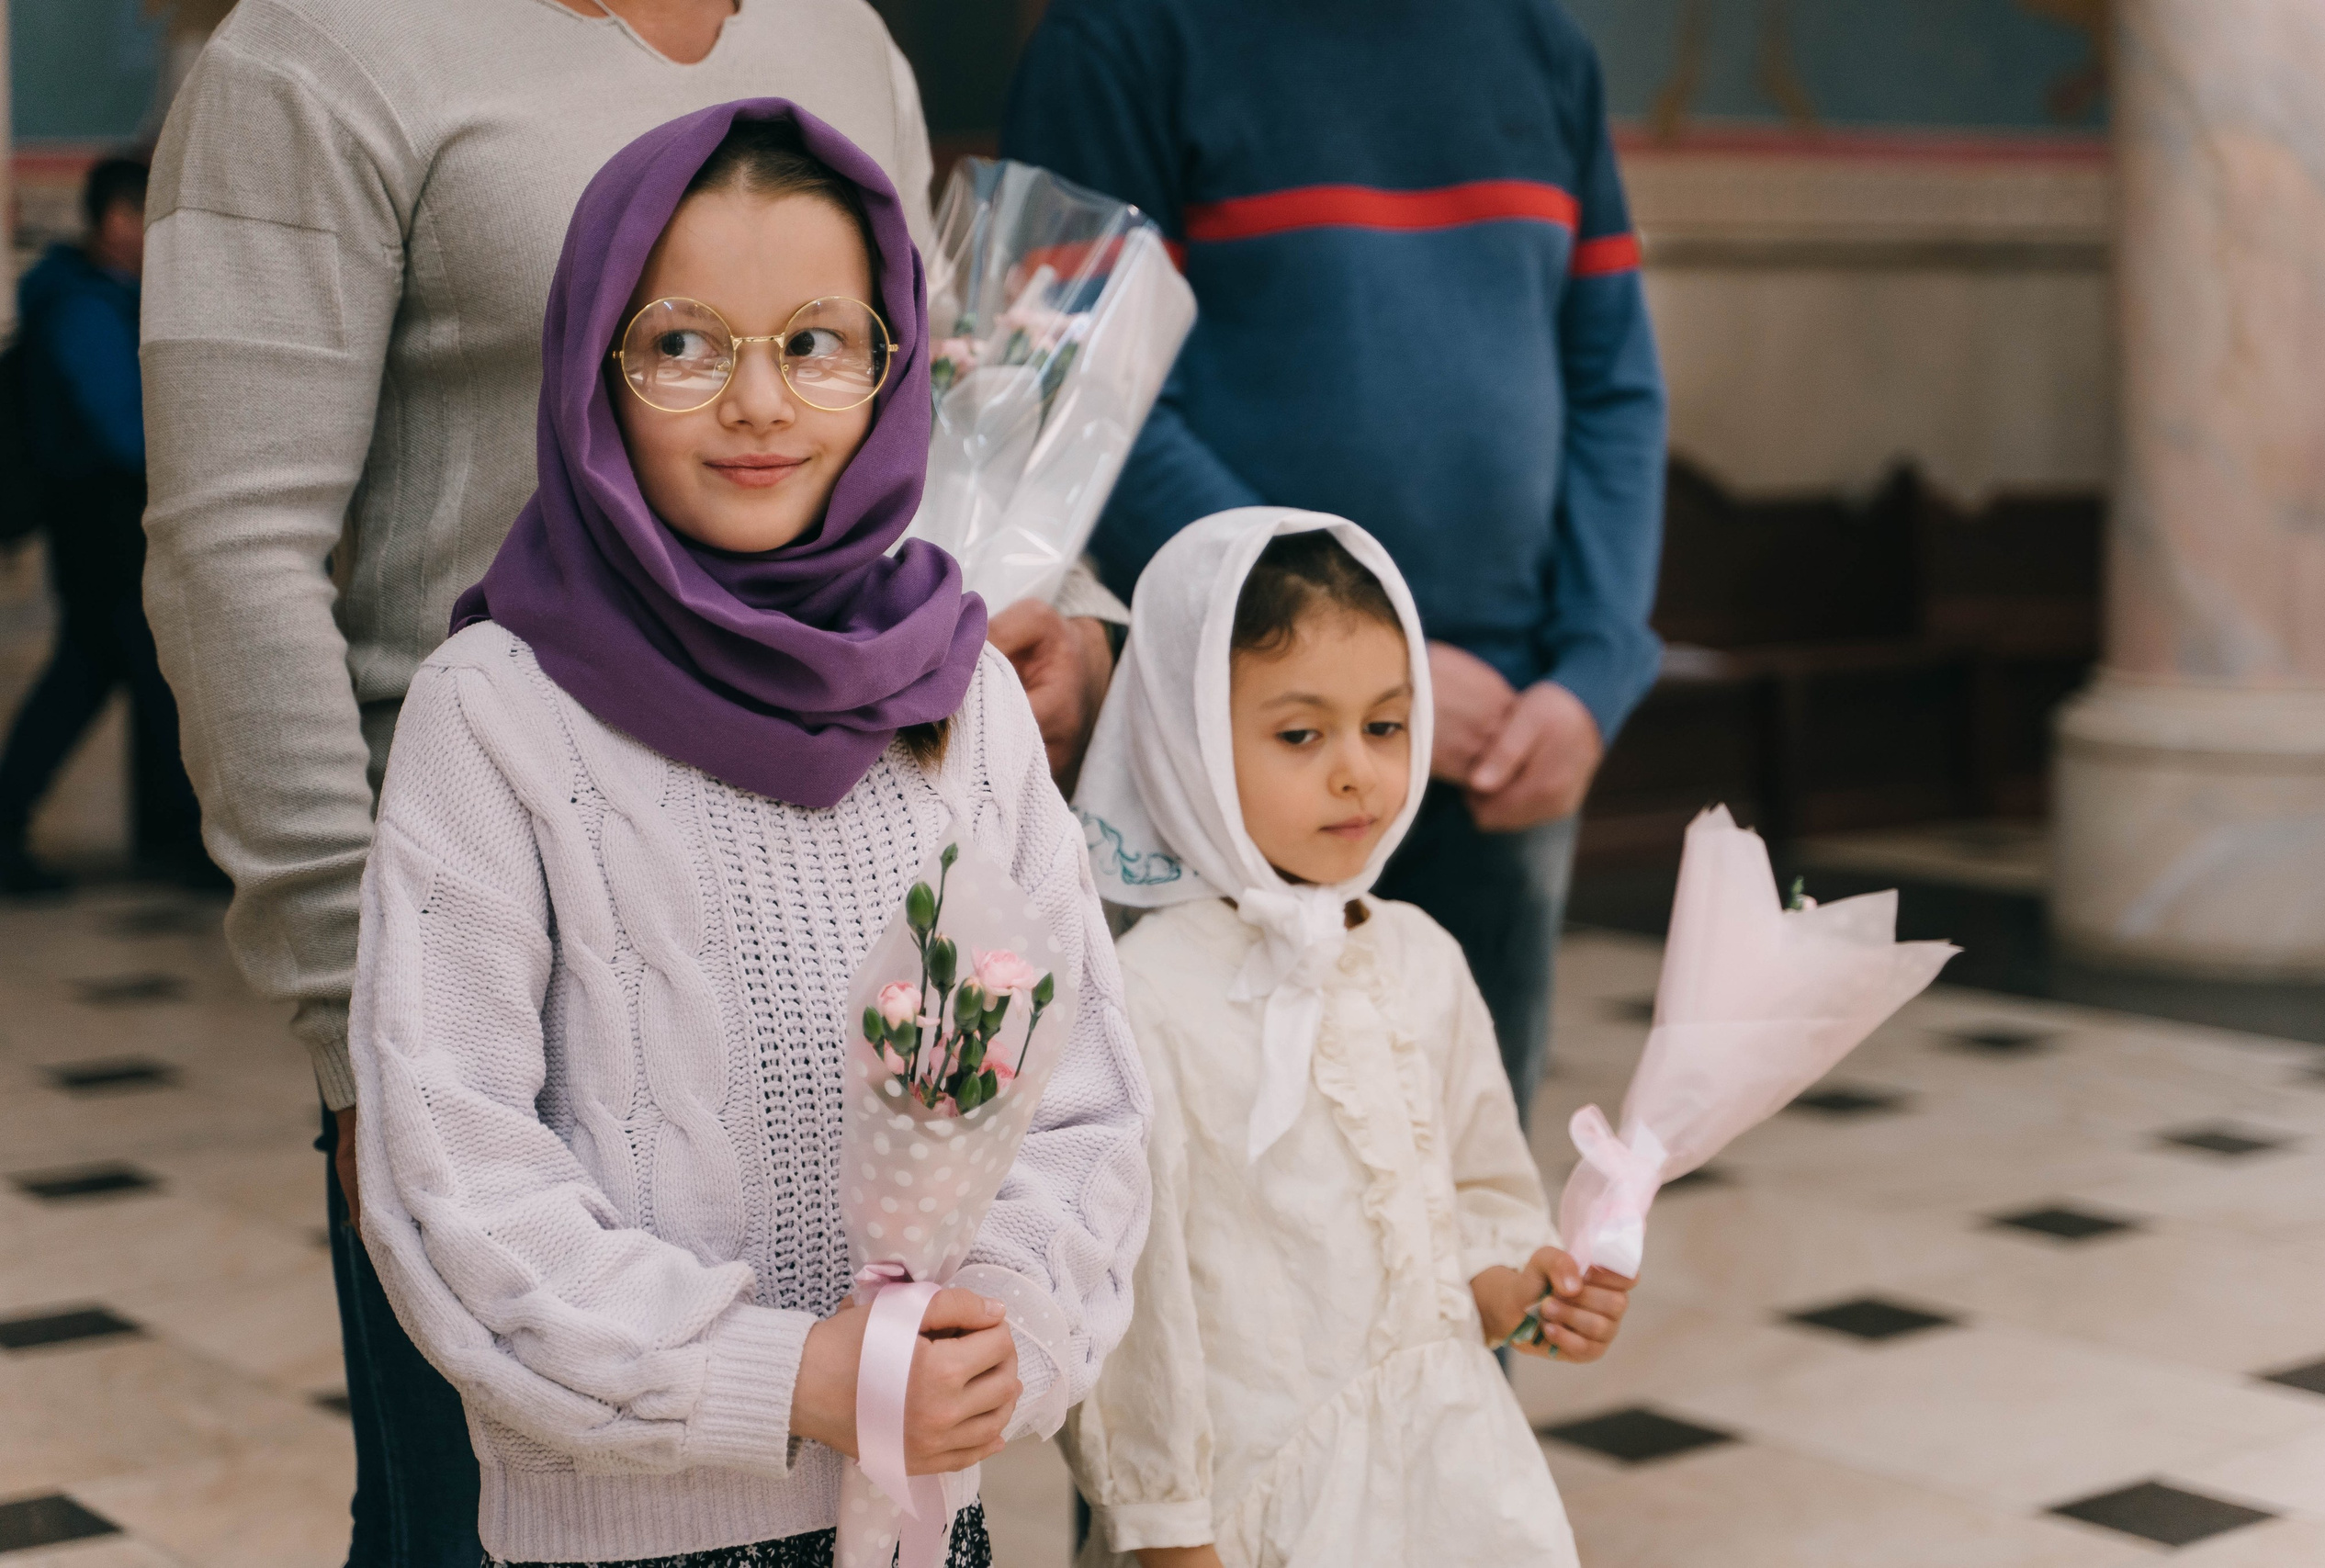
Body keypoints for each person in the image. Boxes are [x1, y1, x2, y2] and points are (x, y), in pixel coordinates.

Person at [138, 4, 1105, 1559]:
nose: (757, 395)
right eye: (678, 346)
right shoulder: (325, 49)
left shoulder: (840, 37)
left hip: (856, 848)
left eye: (806, 352)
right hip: (512, 967)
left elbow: (916, 384)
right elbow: (232, 555)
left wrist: (966, 632)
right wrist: (354, 1037)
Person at [1001, 0, 1671, 1121]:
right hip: (1243, 726)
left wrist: (1593, 676)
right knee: (1232, 1189)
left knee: (1461, 1176)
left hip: (1510, 727)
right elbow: (1093, 403)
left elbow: (1612, 384)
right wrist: (1366, 668)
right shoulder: (1122, 38)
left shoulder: (1539, 47)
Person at [1065, 510, 1634, 1567]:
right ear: (1184, 738)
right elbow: (1134, 1311)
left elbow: (1475, 1191)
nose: (1356, 774)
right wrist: (1166, 1528)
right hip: (1252, 1504)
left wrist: (1519, 1289)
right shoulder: (1146, 997)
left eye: (1384, 726)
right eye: (1299, 734)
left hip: (1449, 1481)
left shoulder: (1421, 956)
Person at [0, 155, 209, 896]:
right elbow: (124, 432)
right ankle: (184, 837)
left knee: (95, 672)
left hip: (109, 520)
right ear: (117, 221)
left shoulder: (104, 296)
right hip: (101, 520)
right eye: (152, 217)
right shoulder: (84, 306)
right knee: (132, 672)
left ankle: (169, 832)